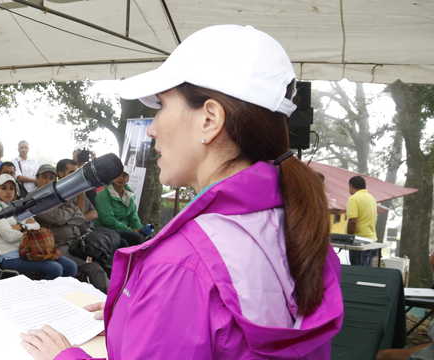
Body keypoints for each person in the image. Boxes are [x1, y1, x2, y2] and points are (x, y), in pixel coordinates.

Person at [21, 25, 342, 360]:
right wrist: (144, 314)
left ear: (209, 119)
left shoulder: (180, 266)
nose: (152, 129)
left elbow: (196, 291)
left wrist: (63, 356)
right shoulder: (297, 229)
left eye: (161, 106)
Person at [28, 164, 109, 294]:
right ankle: (112, 302)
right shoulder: (33, 199)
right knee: (94, 266)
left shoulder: (58, 196)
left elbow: (80, 218)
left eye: (51, 177)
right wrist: (68, 214)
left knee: (105, 254)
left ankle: (111, 296)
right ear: (37, 179)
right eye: (44, 177)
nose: (48, 181)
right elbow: (56, 219)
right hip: (56, 245)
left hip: (76, 241)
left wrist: (62, 219)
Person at [0, 174, 77, 280]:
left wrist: (21, 227)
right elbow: (10, 237)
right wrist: (27, 227)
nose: (8, 191)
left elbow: (36, 226)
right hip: (10, 256)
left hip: (33, 250)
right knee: (55, 269)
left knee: (71, 267)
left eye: (12, 188)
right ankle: (39, 294)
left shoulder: (17, 206)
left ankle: (58, 293)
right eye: (3, 188)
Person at [94, 171, 146, 246]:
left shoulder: (129, 196)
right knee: (137, 239)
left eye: (124, 176)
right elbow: (107, 220)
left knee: (150, 239)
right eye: (117, 175)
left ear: (128, 179)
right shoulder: (104, 194)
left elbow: (134, 218)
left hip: (123, 230)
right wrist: (130, 230)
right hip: (106, 229)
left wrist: (142, 231)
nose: (121, 178)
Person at [347, 175, 379, 266]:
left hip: (359, 243)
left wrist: (349, 239)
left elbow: (353, 221)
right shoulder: (371, 198)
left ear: (351, 186)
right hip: (372, 241)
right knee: (365, 275)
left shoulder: (354, 198)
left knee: (357, 274)